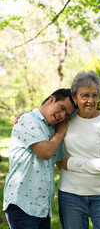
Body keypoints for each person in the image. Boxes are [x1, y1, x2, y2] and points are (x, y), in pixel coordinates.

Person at [3, 88, 75, 229]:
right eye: (61, 109)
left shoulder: (52, 129)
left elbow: (60, 162)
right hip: (22, 204)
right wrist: (61, 133)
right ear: (51, 99)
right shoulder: (27, 120)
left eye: (66, 115)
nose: (62, 116)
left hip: (42, 206)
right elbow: (46, 152)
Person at [58, 71, 100, 229]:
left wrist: (72, 163)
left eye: (95, 95)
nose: (90, 101)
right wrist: (25, 117)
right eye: (85, 95)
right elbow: (42, 120)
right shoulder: (66, 120)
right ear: (74, 97)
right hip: (70, 195)